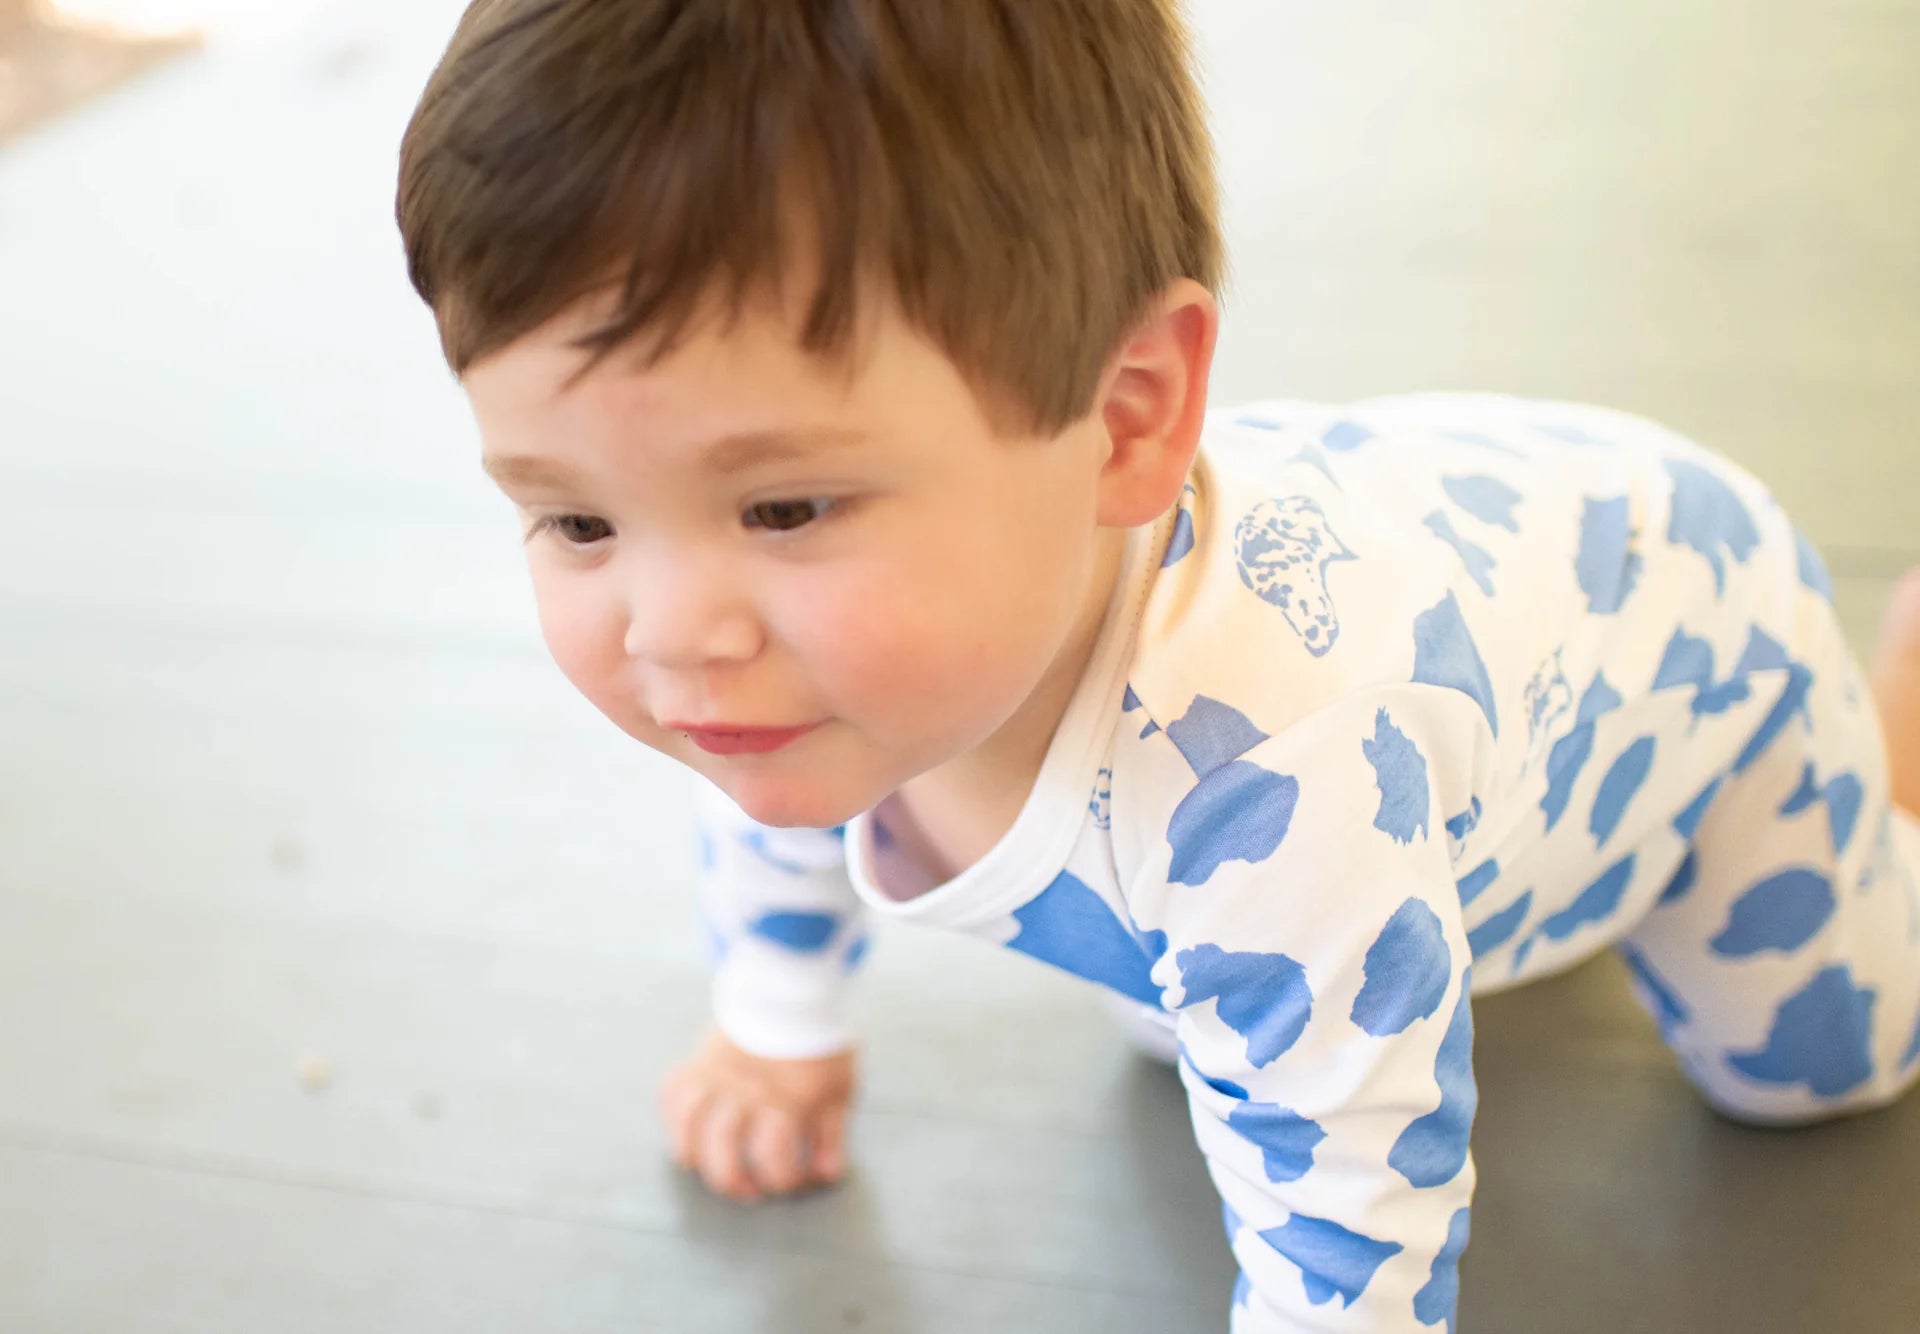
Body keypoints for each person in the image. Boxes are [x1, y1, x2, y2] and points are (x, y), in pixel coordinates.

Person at [395, 2, 1920, 1328]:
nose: (672, 635)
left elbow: (1356, 1205)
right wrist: (778, 1029)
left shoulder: (1271, 789)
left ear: (1127, 420)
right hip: (1460, 650)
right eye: (575, 516)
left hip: (1694, 644)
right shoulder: (802, 666)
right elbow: (762, 788)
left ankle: (1887, 761)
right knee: (1217, 999)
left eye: (784, 505)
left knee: (1816, 1069)